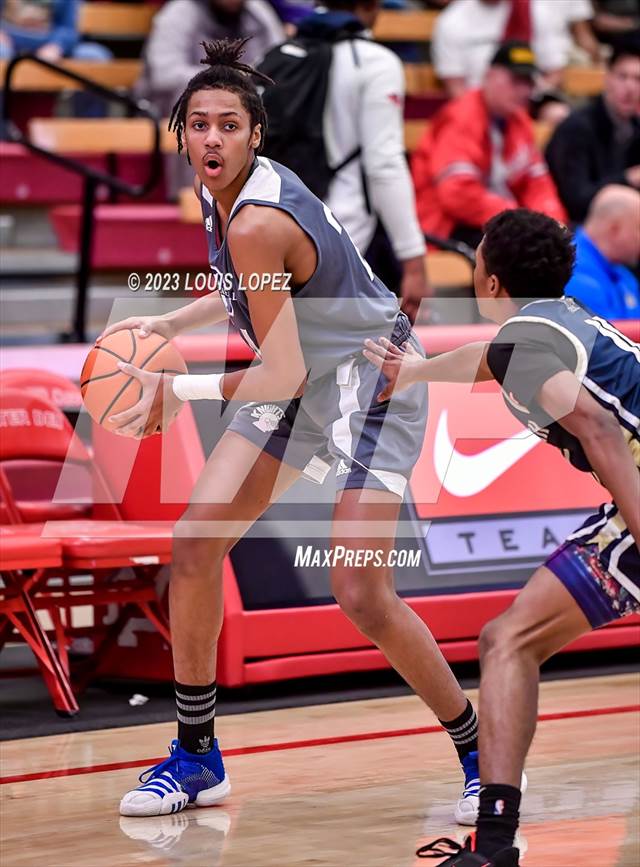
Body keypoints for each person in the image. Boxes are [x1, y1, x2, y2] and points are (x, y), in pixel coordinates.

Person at [102, 37, 482, 825]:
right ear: (180, 132)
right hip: (304, 379)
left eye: (227, 126)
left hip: (375, 384)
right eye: (197, 124)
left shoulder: (257, 220)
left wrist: (178, 386)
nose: (210, 138)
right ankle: (198, 754)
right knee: (196, 544)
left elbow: (277, 371)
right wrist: (170, 317)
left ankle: (481, 752)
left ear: (255, 135)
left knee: (361, 591)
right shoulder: (226, 196)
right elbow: (251, 296)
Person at [363, 207, 640, 866]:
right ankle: (491, 845)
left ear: (489, 280)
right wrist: (414, 373)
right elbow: (481, 362)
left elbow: (599, 430)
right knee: (508, 638)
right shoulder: (547, 324)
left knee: (507, 639)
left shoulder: (527, 339)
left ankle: (491, 848)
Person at [261, 0, 430, 320]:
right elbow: (384, 164)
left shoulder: (276, 55)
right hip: (343, 239)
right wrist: (413, 259)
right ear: (371, 6)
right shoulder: (376, 62)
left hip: (272, 230)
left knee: (274, 359)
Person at [412, 41, 566, 249]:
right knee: (520, 254)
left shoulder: (519, 121)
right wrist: (518, 219)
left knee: (556, 245)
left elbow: (538, 184)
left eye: (528, 82)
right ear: (490, 75)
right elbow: (456, 194)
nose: (523, 90)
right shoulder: (462, 117)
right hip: (445, 226)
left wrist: (552, 223)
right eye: (515, 80)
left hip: (497, 222)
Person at [137, 0, 284, 192]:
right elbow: (163, 74)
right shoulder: (179, 12)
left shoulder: (259, 12)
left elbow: (281, 65)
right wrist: (224, 82)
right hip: (174, 103)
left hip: (244, 100)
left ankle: (265, 189)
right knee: (194, 97)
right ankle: (194, 191)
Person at [545, 40, 640, 224]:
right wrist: (628, 179)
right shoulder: (576, 128)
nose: (630, 88)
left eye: (638, 79)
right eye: (623, 77)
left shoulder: (635, 127)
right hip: (574, 229)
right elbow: (575, 200)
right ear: (608, 78)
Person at [431, 0, 599, 98]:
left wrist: (528, 96)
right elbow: (455, 86)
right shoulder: (452, 20)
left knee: (558, 114)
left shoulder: (533, 11)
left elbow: (555, 72)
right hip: (476, 103)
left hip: (528, 98)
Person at [565, 184, 640, 319]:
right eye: (638, 229)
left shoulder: (622, 273)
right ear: (614, 229)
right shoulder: (571, 273)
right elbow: (603, 338)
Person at [0, 0, 111, 61]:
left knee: (95, 55)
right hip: (8, 43)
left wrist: (57, 46)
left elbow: (70, 30)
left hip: (50, 45)